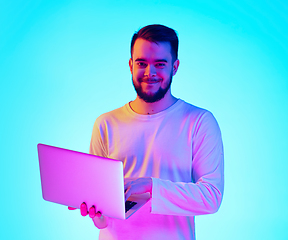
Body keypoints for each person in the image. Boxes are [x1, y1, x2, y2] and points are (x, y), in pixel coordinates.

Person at [68, 24, 224, 239]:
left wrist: (152, 186)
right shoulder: (106, 124)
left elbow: (211, 197)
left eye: (160, 64)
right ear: (131, 65)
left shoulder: (199, 122)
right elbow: (103, 212)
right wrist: (96, 214)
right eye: (142, 63)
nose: (150, 73)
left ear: (175, 67)